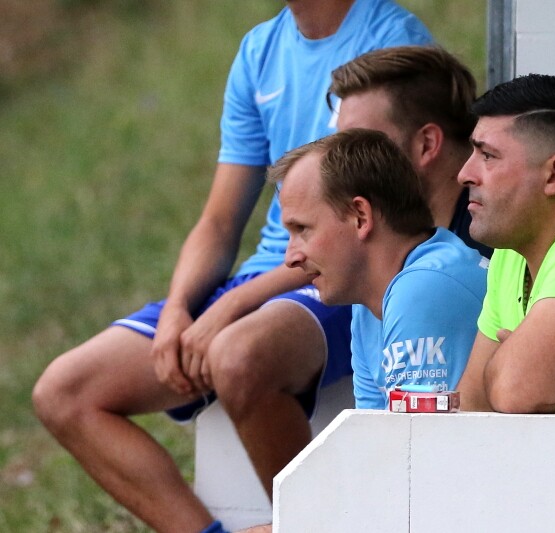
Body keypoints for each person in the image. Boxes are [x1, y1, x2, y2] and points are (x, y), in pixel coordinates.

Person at [31, 1, 431, 532]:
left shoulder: (389, 34)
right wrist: (177, 309)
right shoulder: (260, 50)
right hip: (268, 272)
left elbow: (384, 218)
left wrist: (232, 308)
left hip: (340, 271)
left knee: (238, 355)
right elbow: (219, 222)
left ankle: (308, 524)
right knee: (64, 392)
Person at [272, 128, 487, 409]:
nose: (291, 258)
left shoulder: (423, 288)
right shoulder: (368, 305)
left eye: (302, 229)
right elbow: (375, 430)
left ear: (360, 216)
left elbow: (417, 435)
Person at [455, 73, 555, 414]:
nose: (465, 174)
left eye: (488, 156)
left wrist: (513, 365)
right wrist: (515, 360)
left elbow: (517, 390)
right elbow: (472, 407)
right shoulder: (511, 250)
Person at [329, 45, 492, 259]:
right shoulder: (410, 236)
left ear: (427, 144)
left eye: (357, 145)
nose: (340, 163)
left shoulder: (490, 243)